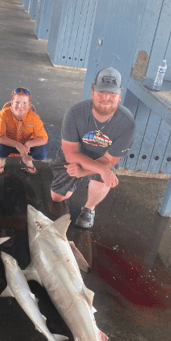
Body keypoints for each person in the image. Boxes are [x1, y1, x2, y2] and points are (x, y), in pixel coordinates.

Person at [50, 67, 135, 229]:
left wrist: (86, 172)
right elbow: (70, 154)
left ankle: (89, 208)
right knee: (56, 198)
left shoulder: (127, 123)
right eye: (101, 92)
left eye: (112, 93)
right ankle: (74, 182)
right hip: (76, 156)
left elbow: (109, 161)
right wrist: (92, 169)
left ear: (119, 96)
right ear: (92, 92)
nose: (106, 97)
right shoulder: (74, 113)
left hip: (101, 159)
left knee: (106, 176)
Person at [0, 87, 48, 175]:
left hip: (26, 147)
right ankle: (1, 159)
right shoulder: (4, 114)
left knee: (42, 152)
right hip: (8, 143)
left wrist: (29, 144)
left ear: (29, 105)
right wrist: (16, 144)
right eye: (17, 102)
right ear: (11, 103)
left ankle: (27, 159)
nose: (20, 106)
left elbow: (44, 138)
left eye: (24, 103)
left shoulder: (34, 118)